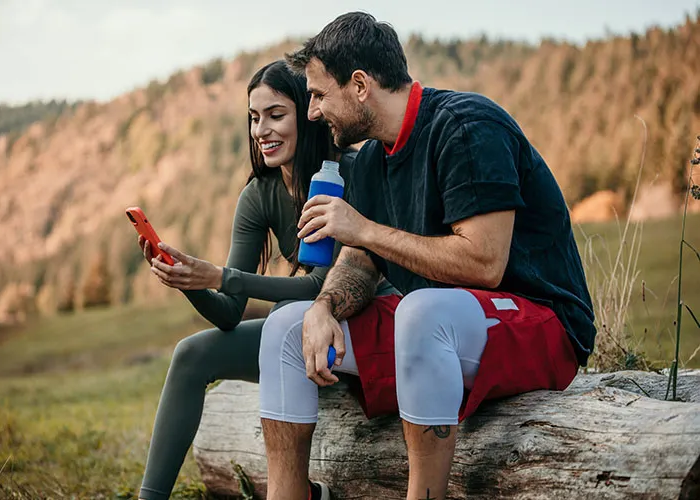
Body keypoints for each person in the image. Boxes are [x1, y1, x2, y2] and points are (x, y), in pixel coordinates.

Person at [256, 12, 597, 500]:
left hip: (542, 322)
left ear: (359, 85)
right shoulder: (373, 158)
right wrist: (323, 307)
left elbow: (485, 263)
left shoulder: (466, 127)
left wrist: (366, 228)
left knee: (422, 310)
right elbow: (358, 261)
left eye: (317, 94)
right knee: (285, 328)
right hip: (438, 329)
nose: (311, 112)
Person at [137, 59, 397, 500]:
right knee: (192, 353)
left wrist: (222, 276)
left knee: (286, 315)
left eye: (276, 115)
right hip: (299, 332)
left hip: (367, 322)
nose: (262, 130)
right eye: (255, 118)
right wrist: (192, 282)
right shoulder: (259, 194)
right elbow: (227, 313)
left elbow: (320, 287)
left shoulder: (350, 172)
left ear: (308, 113)